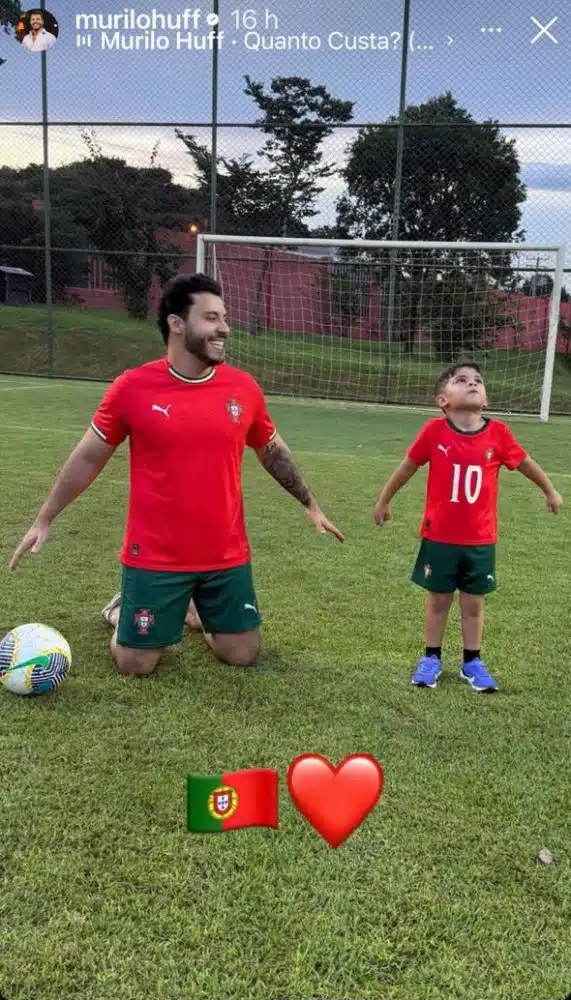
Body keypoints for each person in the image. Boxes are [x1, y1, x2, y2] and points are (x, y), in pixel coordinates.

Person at [10, 274, 343, 676]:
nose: (224, 328)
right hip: (155, 555)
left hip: (224, 553)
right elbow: (87, 458)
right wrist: (45, 517)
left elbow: (272, 450)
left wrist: (310, 503)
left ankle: (192, 608)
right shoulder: (132, 388)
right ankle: (123, 611)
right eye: (211, 317)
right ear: (176, 323)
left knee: (242, 654)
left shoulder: (243, 388)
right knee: (136, 665)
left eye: (225, 318)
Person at [373, 362, 562, 693]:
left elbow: (526, 463)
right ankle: (431, 658)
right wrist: (384, 500)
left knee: (474, 603)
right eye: (461, 381)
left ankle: (472, 662)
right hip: (440, 537)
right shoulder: (433, 432)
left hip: (480, 539)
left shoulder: (499, 434)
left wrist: (549, 490)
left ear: (486, 398)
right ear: (442, 400)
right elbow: (408, 467)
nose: (471, 384)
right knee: (438, 600)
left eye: (477, 381)